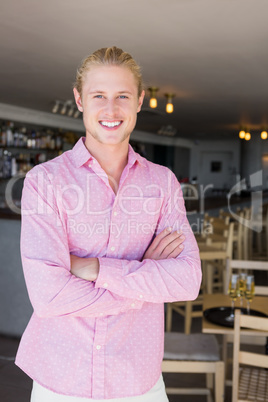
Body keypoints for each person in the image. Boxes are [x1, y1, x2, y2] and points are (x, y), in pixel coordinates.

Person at [16, 46, 202, 402]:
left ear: (139, 101)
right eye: (99, 95)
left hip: (138, 380)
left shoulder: (162, 183)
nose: (111, 109)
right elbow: (49, 296)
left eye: (122, 96)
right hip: (60, 377)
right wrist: (144, 279)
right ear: (79, 99)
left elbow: (187, 280)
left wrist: (94, 269)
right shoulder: (45, 182)